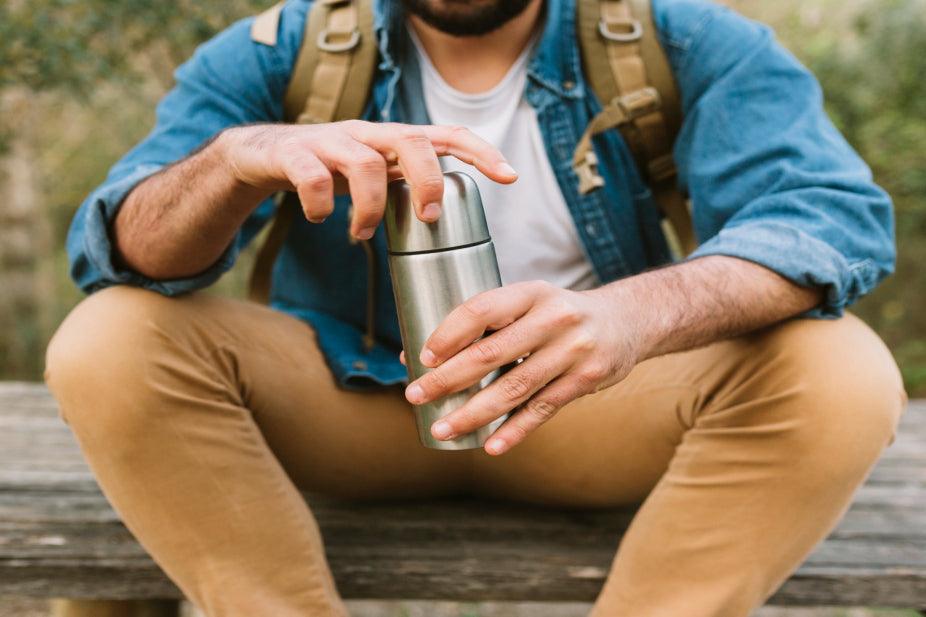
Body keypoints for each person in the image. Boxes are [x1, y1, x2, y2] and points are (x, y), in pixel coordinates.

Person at [44, 0, 908, 615]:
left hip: (591, 410)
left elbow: (832, 216)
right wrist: (236, 161)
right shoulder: (280, 49)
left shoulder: (682, 37)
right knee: (111, 335)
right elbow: (119, 250)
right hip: (353, 407)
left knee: (840, 367)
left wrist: (630, 316)